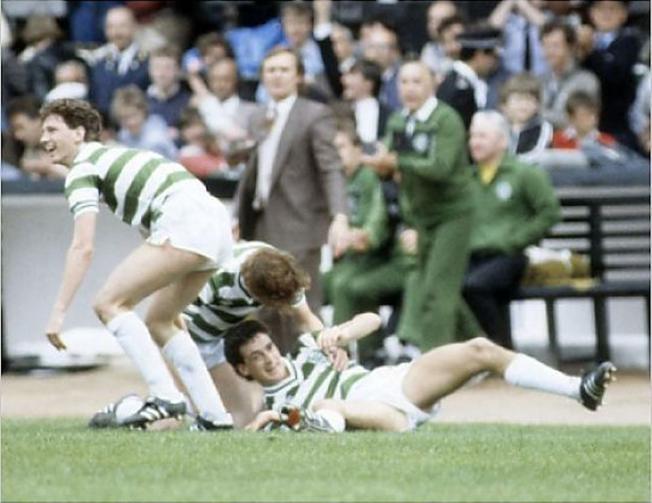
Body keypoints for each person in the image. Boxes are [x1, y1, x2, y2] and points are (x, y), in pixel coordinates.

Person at [39, 98, 234, 431]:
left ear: (79, 133)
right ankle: (215, 416)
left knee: (108, 303)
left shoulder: (83, 168)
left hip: (185, 219)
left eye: (52, 129)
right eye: (43, 131)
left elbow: (82, 247)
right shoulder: (115, 157)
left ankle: (165, 396)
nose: (44, 138)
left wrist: (58, 313)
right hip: (215, 225)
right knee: (162, 321)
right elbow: (152, 227)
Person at [224, 313, 616, 433]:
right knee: (328, 406)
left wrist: (342, 333)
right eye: (257, 357)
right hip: (372, 413)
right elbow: (257, 429)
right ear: (244, 369)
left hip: (392, 383)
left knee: (480, 348)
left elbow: (373, 319)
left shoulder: (309, 349)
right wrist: (270, 418)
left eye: (269, 348)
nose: (270, 359)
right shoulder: (273, 405)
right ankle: (322, 424)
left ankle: (578, 389)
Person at [236, 47, 349, 351]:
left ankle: (316, 372)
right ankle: (281, 376)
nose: (277, 76)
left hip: (301, 223)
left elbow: (331, 168)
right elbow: (254, 170)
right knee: (265, 308)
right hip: (261, 224)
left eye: (284, 69)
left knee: (301, 309)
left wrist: (339, 215)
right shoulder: (258, 115)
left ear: (298, 76)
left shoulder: (314, 114)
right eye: (271, 70)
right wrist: (237, 215)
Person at [365, 60, 475, 352]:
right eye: (404, 82)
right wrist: (381, 166)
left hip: (452, 213)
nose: (410, 89)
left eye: (417, 81)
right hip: (420, 216)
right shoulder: (398, 121)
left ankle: (433, 359)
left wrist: (396, 163)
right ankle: (485, 350)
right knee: (433, 286)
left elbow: (441, 168)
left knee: (438, 291)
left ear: (433, 83)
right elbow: (389, 163)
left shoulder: (446, 119)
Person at [458, 110, 560, 349]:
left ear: (502, 141)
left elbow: (549, 212)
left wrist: (518, 239)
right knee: (449, 285)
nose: (475, 142)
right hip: (472, 256)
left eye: (482, 136)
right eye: (472, 136)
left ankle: (500, 348)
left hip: (509, 255)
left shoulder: (523, 173)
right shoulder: (467, 178)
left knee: (474, 287)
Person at [323, 124, 389, 365]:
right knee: (309, 285)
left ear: (358, 149)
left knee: (343, 285)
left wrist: (354, 237)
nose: (336, 154)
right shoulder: (334, 182)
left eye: (341, 147)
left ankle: (342, 356)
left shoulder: (369, 178)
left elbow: (375, 228)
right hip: (343, 261)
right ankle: (310, 348)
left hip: (374, 259)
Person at [83, 6, 150, 118]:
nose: (116, 32)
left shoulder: (147, 61)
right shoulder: (99, 63)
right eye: (111, 27)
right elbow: (92, 99)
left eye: (122, 26)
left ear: (134, 27)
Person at [437, 26, 502, 130]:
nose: (495, 62)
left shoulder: (467, 81)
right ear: (480, 55)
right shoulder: (459, 90)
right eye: (494, 56)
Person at [540, 19, 600, 130]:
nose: (549, 52)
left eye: (555, 45)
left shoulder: (586, 81)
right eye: (545, 45)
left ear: (571, 47)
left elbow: (577, 120)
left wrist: (536, 114)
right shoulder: (539, 80)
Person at [111, 85, 178, 160]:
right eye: (125, 118)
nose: (131, 122)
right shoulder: (123, 135)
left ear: (143, 112)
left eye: (134, 115)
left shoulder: (156, 136)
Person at [499, 72, 553, 160]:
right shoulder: (498, 126)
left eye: (529, 100)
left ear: (537, 105)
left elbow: (537, 154)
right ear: (505, 104)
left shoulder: (543, 128)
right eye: (518, 99)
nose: (524, 105)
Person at [146, 45, 191, 132]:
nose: (161, 74)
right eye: (156, 67)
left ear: (178, 70)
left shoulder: (188, 102)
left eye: (168, 68)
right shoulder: (142, 102)